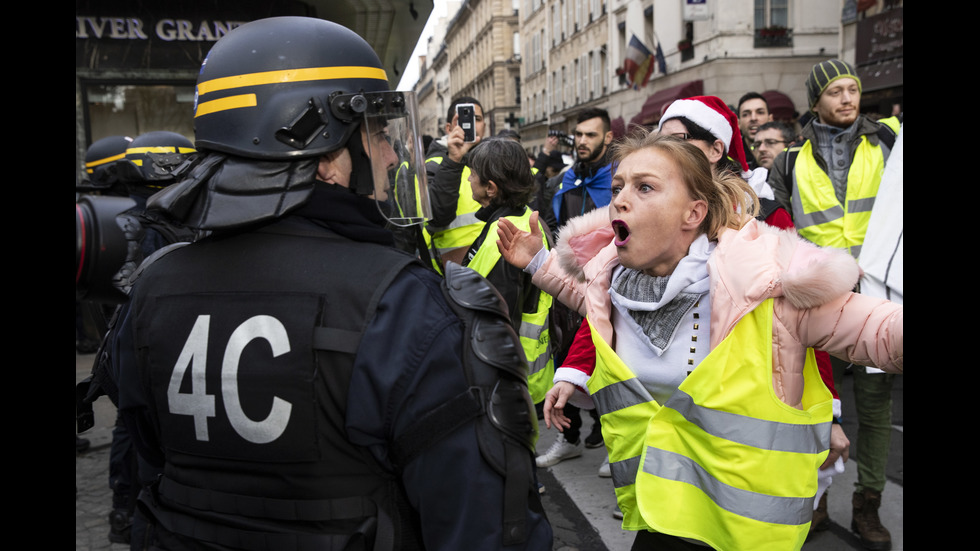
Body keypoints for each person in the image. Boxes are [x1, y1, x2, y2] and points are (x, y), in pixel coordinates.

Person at [95, 16, 551, 550]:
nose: (388, 155)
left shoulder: (154, 286)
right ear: (327, 154)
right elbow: (483, 527)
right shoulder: (404, 305)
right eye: (377, 134)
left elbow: (144, 456)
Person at [495, 131, 902, 550]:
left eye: (645, 187)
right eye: (617, 187)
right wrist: (539, 262)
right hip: (659, 519)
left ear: (694, 213)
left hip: (746, 533)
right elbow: (591, 299)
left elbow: (882, 333)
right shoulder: (614, 283)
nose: (619, 199)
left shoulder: (766, 288)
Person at [767, 59, 901, 551]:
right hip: (816, 303)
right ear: (815, 101)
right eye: (835, 91)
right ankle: (815, 498)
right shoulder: (789, 160)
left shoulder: (887, 140)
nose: (846, 98)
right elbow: (778, 228)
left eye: (852, 89)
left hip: (876, 296)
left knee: (875, 408)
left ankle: (869, 503)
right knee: (812, 404)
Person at [534, 107, 615, 469]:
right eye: (579, 135)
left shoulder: (619, 180)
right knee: (564, 357)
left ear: (607, 138)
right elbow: (553, 224)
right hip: (567, 285)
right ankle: (569, 438)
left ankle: (613, 442)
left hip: (608, 286)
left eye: (591, 135)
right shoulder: (564, 180)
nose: (582, 141)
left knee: (609, 364)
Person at [461, 137, 555, 404]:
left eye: (473, 175)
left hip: (507, 381)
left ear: (490, 188)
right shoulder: (523, 217)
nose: (468, 180)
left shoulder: (503, 239)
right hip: (529, 373)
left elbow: (497, 323)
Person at [424, 96, 489, 268]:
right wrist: (454, 160)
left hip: (492, 264)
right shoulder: (434, 165)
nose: (473, 123)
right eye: (465, 118)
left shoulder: (492, 162)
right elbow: (437, 216)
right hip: (454, 270)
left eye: (478, 119)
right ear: (449, 128)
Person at [736, 92, 773, 170]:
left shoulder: (783, 153)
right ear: (738, 123)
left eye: (760, 112)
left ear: (770, 119)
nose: (753, 118)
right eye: (746, 114)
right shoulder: (730, 158)